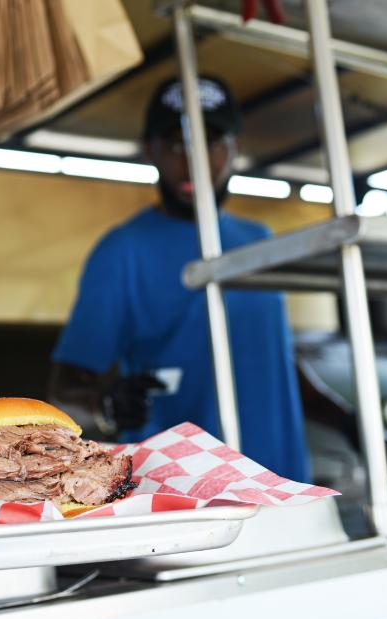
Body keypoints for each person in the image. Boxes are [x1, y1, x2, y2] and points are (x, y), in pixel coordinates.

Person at [49, 75, 311, 483]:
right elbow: (65, 387)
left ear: (236, 149)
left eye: (211, 143)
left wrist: (351, 422)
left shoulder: (261, 242)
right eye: (176, 144)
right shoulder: (122, 250)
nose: (193, 160)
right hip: (180, 493)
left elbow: (276, 360)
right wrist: (107, 403)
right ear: (150, 149)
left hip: (283, 483)